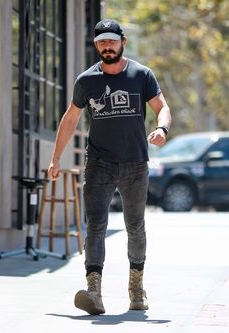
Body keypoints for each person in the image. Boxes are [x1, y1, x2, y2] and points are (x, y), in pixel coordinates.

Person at [48, 19, 171, 315]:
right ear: (96, 45)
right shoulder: (86, 81)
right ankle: (94, 292)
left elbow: (162, 108)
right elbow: (70, 119)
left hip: (135, 164)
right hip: (99, 163)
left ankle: (136, 288)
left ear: (122, 42)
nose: (107, 46)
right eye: (101, 41)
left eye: (111, 41)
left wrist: (162, 130)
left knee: (135, 227)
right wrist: (55, 159)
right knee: (95, 227)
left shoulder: (141, 75)